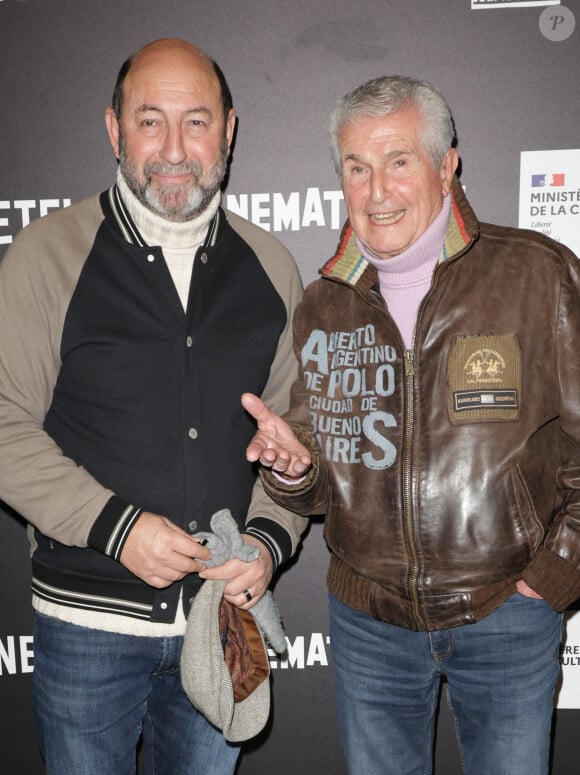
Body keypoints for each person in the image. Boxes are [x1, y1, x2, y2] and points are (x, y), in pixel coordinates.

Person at [242, 74, 580, 775]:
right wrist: (294, 470)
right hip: (369, 624)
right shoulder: (323, 304)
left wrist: (555, 573)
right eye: (356, 168)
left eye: (399, 161)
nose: (376, 190)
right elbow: (322, 486)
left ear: (446, 164)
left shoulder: (538, 275)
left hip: (507, 615)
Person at [0, 38, 307, 775]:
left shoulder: (270, 265)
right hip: (87, 635)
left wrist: (268, 537)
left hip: (222, 620)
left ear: (228, 130)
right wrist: (116, 526)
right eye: (150, 121)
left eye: (196, 121)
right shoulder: (48, 254)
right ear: (114, 130)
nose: (174, 148)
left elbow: (295, 438)